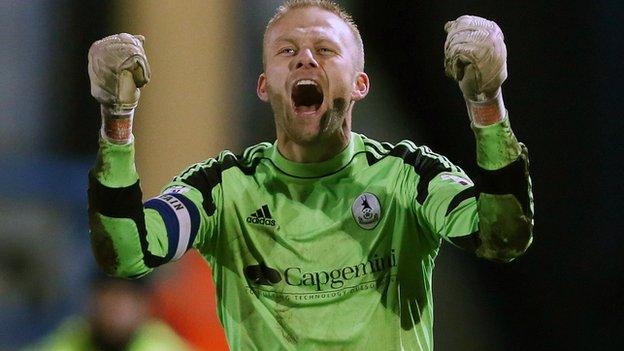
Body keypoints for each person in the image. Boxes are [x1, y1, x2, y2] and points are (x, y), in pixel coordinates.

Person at [87, 1, 533, 350]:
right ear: (264, 86)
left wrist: (488, 107)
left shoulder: (408, 175)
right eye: (287, 51)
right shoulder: (222, 189)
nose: (305, 60)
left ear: (360, 83)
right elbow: (127, 252)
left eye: (324, 49)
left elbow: (502, 238)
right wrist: (117, 121)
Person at [25, 274, 192, 351]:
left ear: (144, 307)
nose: (116, 309)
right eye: (109, 296)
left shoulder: (161, 346)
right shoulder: (71, 339)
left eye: (126, 299)